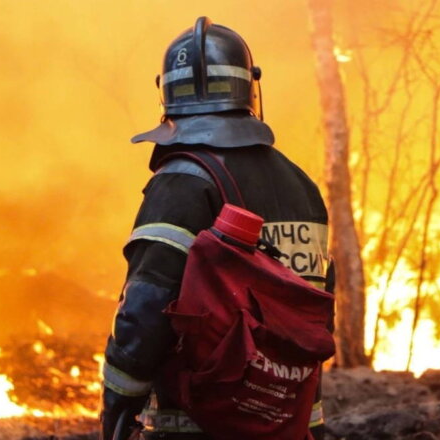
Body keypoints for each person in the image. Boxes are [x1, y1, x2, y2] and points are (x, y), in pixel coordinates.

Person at [100, 16, 334, 440]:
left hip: (196, 424)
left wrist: (118, 400)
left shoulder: (182, 182)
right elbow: (314, 319)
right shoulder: (303, 188)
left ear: (166, 93)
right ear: (251, 86)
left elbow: (146, 307)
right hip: (287, 423)